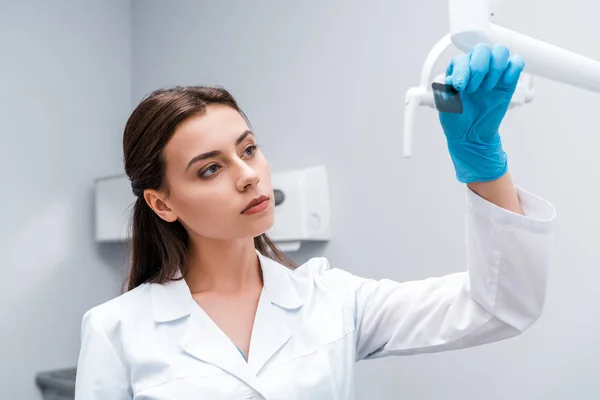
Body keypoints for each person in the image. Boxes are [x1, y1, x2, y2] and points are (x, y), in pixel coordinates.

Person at [74, 43, 556, 399]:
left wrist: (484, 164)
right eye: (210, 168)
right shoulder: (116, 330)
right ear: (162, 204)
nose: (247, 176)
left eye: (248, 149)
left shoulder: (333, 302)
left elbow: (500, 306)